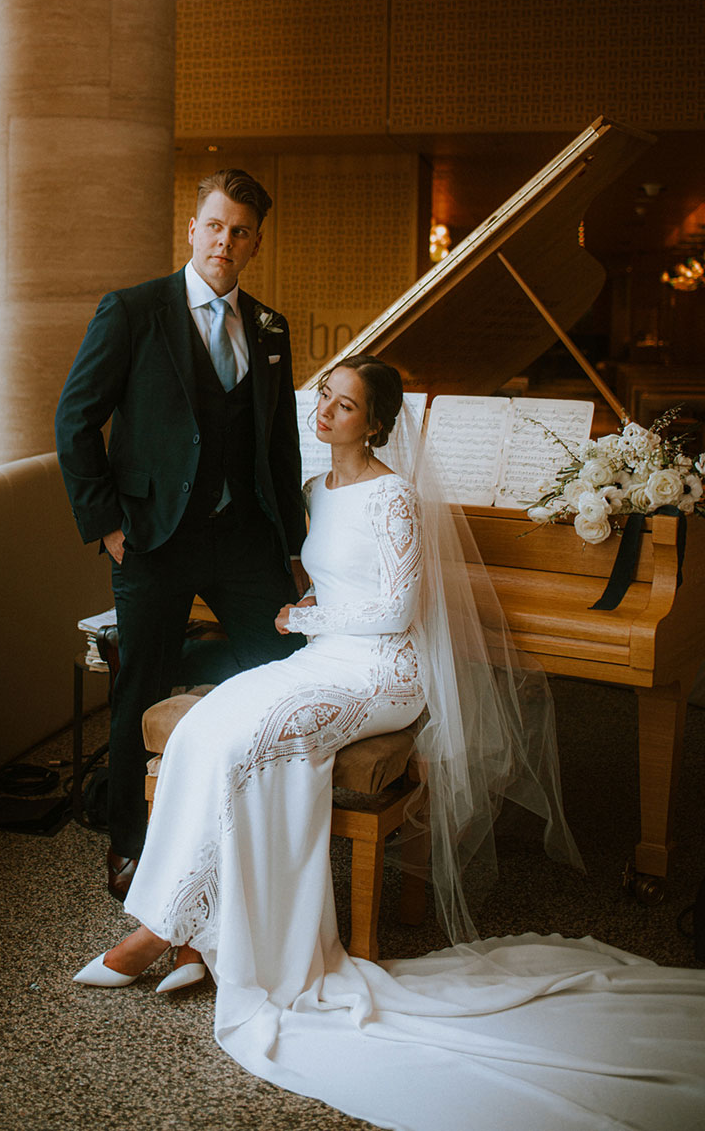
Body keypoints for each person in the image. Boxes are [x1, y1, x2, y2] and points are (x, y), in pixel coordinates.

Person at [73, 354, 705, 1131]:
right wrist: (301, 610)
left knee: (257, 738)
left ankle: (161, 930)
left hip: (382, 672)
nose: (327, 412)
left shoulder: (396, 498)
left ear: (375, 424)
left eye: (345, 405)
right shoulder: (314, 491)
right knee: (211, 726)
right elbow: (328, 582)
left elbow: (395, 610)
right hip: (325, 657)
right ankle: (205, 936)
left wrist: (299, 619)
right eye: (326, 399)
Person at [55, 168, 309, 900]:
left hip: (242, 540)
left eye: (241, 231)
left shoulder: (268, 327)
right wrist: (105, 526)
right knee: (139, 686)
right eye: (215, 226)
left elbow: (280, 444)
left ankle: (244, 820)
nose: (225, 241)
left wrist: (290, 547)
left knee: (279, 662)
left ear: (255, 243)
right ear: (192, 230)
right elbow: (75, 422)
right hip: (152, 538)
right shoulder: (132, 312)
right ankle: (132, 845)